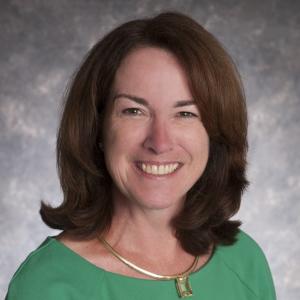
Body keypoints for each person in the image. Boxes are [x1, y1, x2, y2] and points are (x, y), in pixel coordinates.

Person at [5, 11, 276, 300]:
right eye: (134, 111)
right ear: (97, 127)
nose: (159, 142)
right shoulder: (47, 286)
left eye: (185, 113)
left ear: (214, 134)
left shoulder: (244, 261)